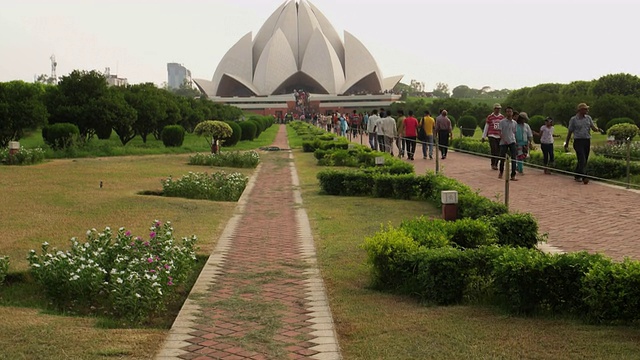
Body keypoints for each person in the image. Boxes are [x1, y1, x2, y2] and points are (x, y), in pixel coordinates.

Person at [564, 103, 601, 184]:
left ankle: (577, 175)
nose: (587, 110)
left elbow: (593, 127)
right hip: (578, 141)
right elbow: (570, 132)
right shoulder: (573, 119)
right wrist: (566, 143)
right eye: (585, 109)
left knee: (584, 160)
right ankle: (584, 177)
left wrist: (598, 129)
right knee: (582, 159)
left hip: (586, 140)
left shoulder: (588, 118)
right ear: (580, 110)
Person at [482, 103, 504, 170]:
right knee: (494, 149)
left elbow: (503, 127)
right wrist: (484, 136)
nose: (498, 110)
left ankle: (496, 164)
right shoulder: (490, 117)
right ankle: (493, 163)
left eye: (499, 109)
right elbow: (487, 126)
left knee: (498, 150)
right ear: (494, 109)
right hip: (492, 135)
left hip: (499, 136)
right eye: (496, 108)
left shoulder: (502, 117)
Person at [498, 107, 518, 181]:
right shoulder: (502, 122)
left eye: (510, 111)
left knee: (514, 158)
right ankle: (501, 171)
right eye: (507, 111)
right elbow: (499, 132)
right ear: (506, 113)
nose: (509, 113)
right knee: (502, 158)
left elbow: (514, 132)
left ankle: (513, 175)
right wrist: (503, 139)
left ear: (512, 113)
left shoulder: (514, 123)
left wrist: (514, 140)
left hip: (512, 141)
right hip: (504, 142)